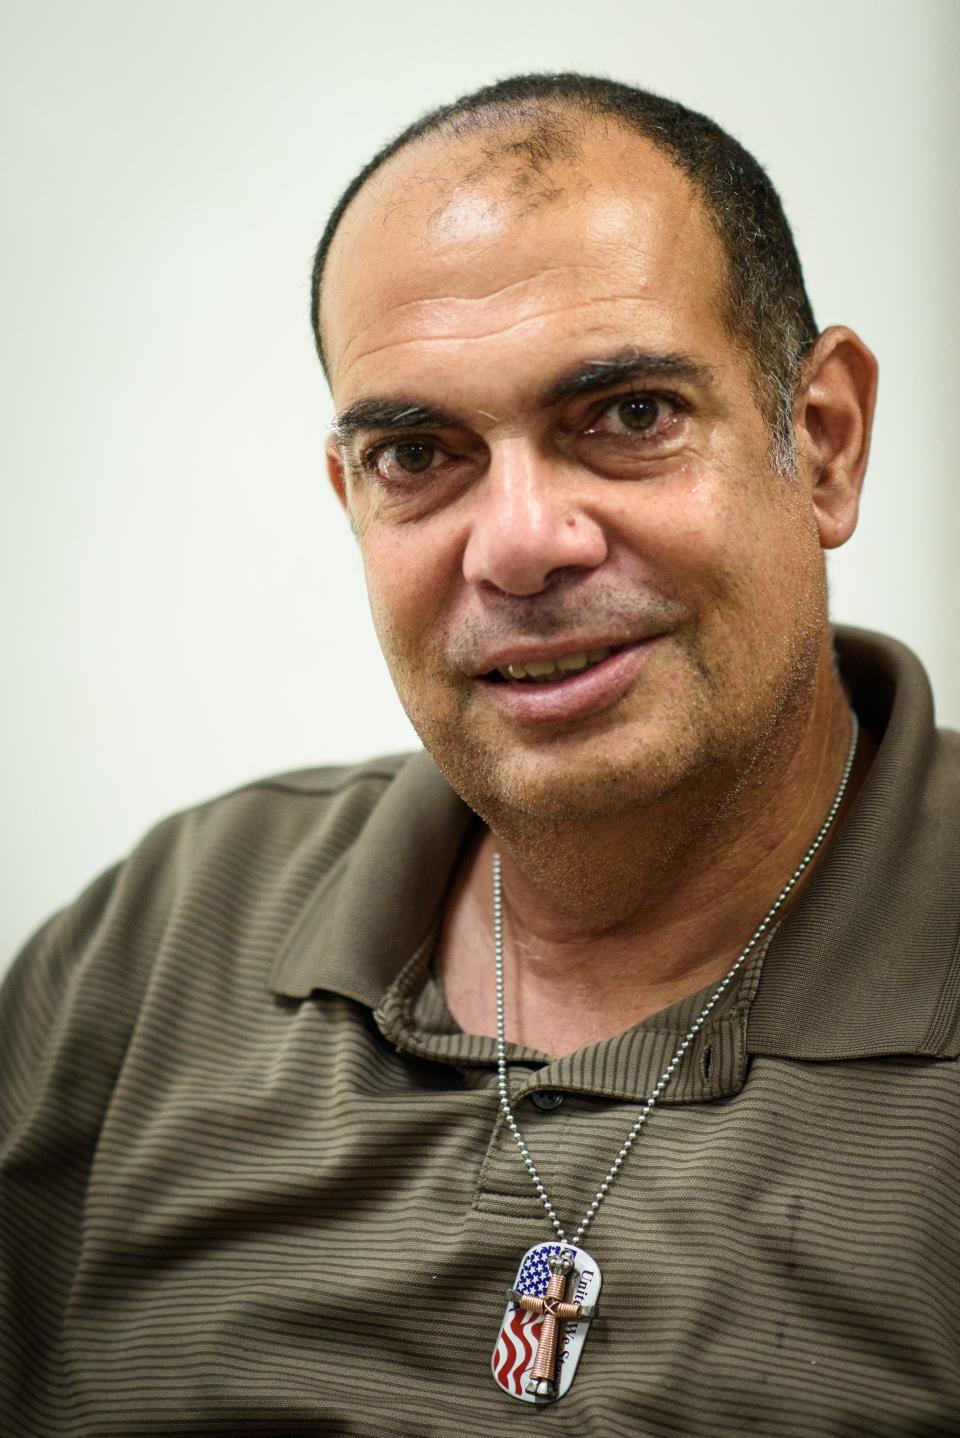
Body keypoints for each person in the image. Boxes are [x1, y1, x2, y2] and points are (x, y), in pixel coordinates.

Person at [2, 72, 958, 1437]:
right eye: (420, 452)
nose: (518, 542)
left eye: (627, 414)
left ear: (821, 441)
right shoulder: (162, 938)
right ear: (352, 501)